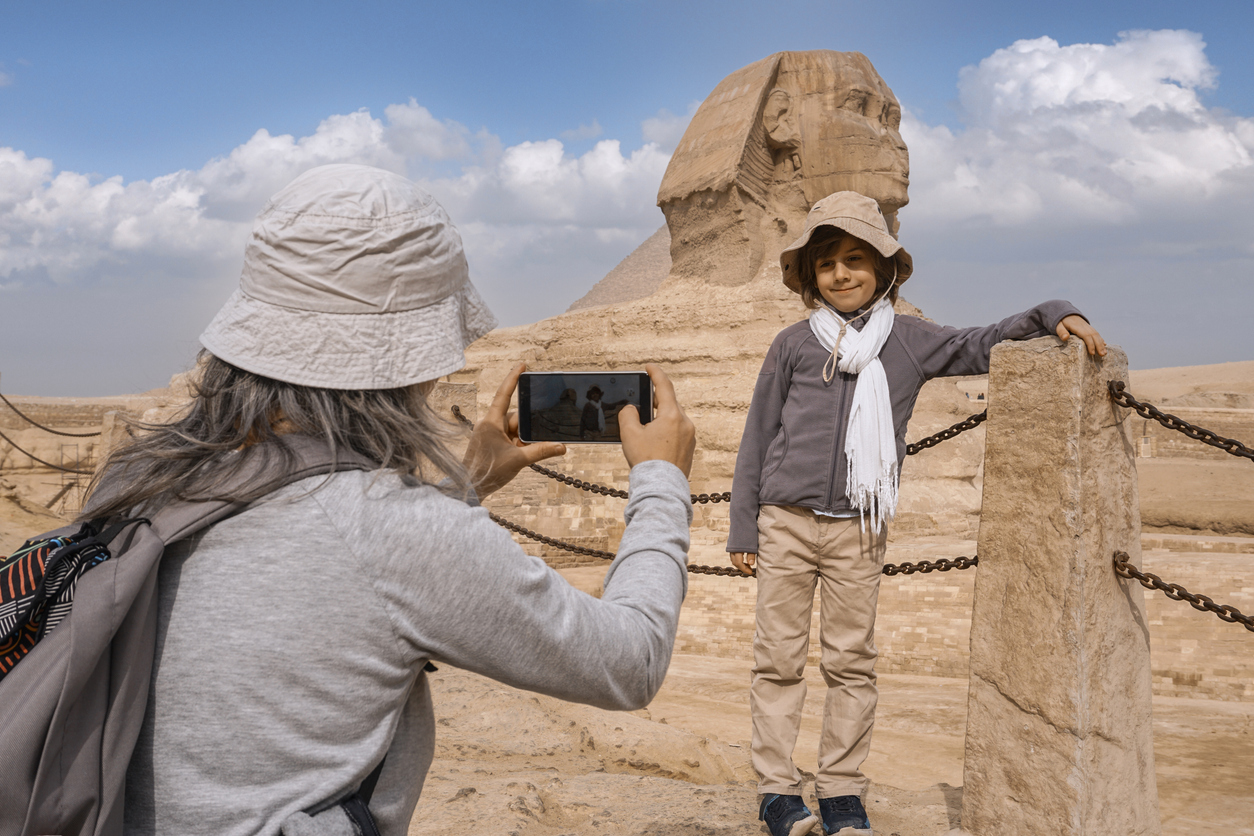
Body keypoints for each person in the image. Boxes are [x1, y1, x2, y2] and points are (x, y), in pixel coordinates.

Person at [83, 164, 696, 836]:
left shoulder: (138, 477)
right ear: (416, 360)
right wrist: (661, 478)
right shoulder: (395, 527)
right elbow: (630, 663)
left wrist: (466, 486)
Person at [727, 191, 1106, 836]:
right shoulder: (792, 344)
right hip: (784, 521)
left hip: (859, 529)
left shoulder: (908, 342)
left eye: (854, 259)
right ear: (811, 277)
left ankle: (842, 790)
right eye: (827, 264)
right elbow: (758, 435)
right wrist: (744, 524)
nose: (841, 274)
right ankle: (776, 790)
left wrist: (1055, 311)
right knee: (777, 661)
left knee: (851, 663)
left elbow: (983, 341)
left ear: (884, 268)